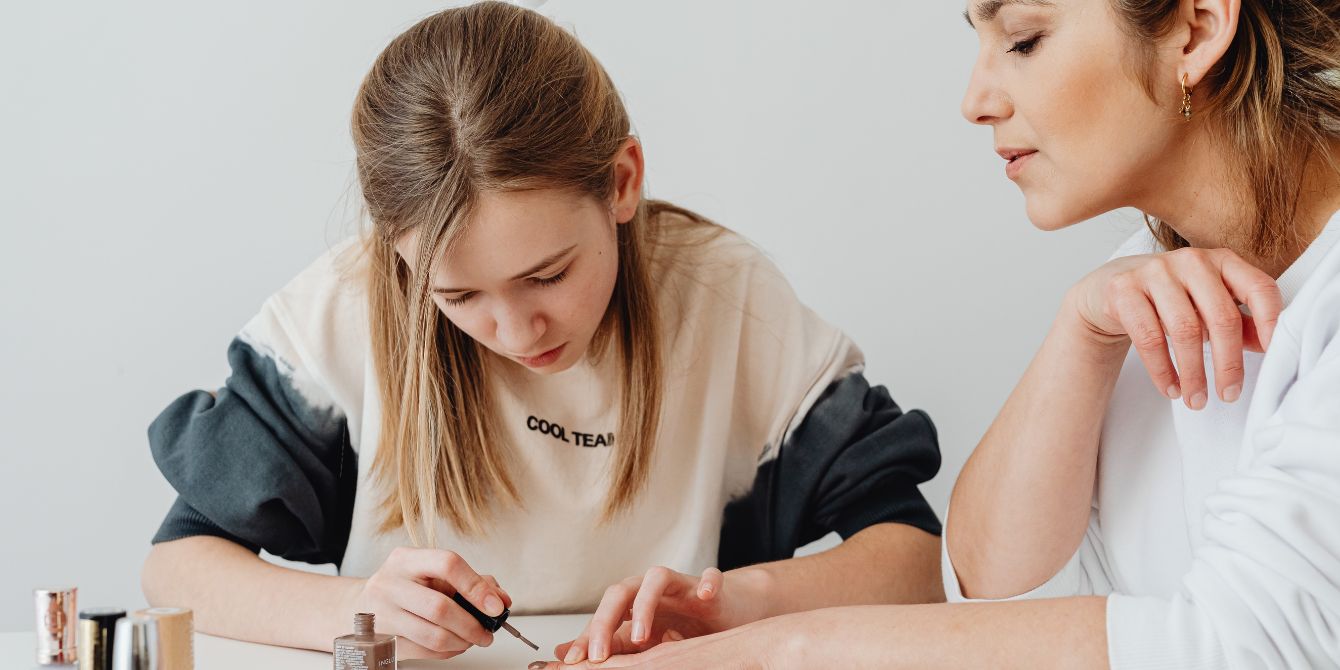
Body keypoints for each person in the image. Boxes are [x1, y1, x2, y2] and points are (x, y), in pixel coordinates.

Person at [139, 1, 944, 661]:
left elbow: (910, 558)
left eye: (549, 275)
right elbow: (176, 565)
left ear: (622, 182)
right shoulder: (339, 317)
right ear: (401, 255)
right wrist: (358, 610)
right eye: (458, 295)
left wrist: (733, 602)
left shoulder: (728, 300)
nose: (517, 330)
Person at [543, 0, 1340, 667]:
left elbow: (1236, 646)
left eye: (1023, 40)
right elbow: (989, 586)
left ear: (1197, 28)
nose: (976, 99)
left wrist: (769, 650)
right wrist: (1080, 334)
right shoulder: (1147, 281)